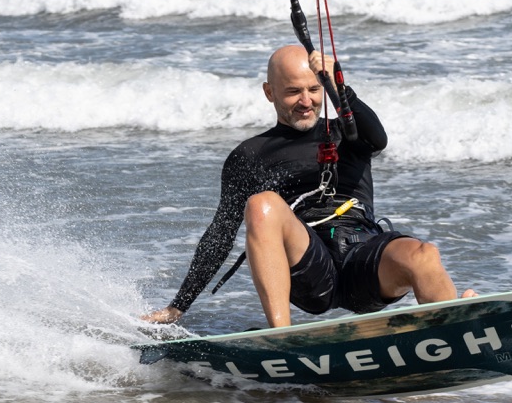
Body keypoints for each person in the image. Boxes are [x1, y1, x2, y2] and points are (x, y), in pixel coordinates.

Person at [142, 45, 472, 329]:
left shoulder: (346, 132)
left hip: (363, 257)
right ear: (269, 92)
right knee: (262, 205)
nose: (306, 101)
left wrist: (339, 86)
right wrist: (178, 306)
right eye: (293, 92)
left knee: (424, 254)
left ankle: (448, 328)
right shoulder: (249, 155)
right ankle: (281, 336)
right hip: (309, 268)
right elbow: (220, 234)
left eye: (314, 90)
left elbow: (379, 139)